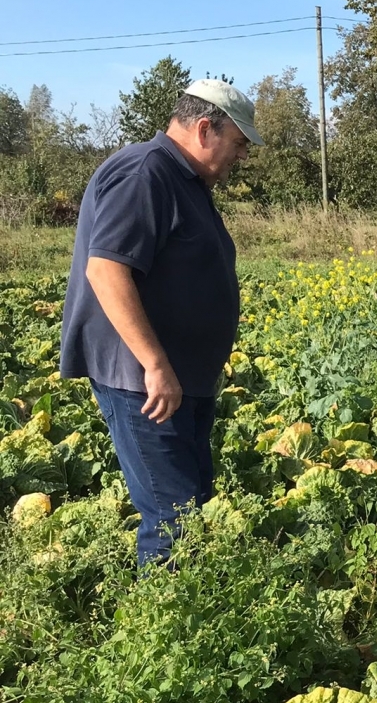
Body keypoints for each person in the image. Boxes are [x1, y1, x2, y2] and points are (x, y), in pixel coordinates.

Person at [59, 80, 261, 566]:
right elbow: (106, 269)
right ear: (205, 129)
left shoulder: (184, 180)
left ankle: (192, 615)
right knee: (174, 518)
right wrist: (154, 363)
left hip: (178, 379)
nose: (240, 157)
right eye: (237, 144)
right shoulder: (146, 171)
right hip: (144, 382)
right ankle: (167, 625)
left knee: (191, 505)